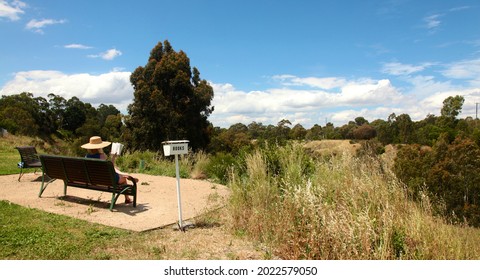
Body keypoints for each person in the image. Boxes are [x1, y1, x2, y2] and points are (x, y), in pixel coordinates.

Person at [81, 136, 138, 204]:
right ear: (100, 147)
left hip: (94, 179)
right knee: (123, 179)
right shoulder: (102, 156)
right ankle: (127, 198)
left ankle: (126, 176)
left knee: (119, 174)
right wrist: (113, 157)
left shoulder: (86, 156)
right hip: (108, 180)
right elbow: (111, 167)